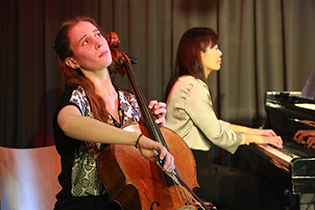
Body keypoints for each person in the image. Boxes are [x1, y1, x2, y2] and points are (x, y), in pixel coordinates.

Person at [52, 16, 175, 210]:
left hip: (130, 203)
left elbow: (149, 161)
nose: (99, 42)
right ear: (72, 62)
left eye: (98, 35)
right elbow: (68, 122)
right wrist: (137, 139)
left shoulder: (130, 100)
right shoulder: (76, 97)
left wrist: (160, 128)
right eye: (86, 41)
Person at [164, 27, 285, 210]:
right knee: (260, 187)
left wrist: (254, 132)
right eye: (215, 48)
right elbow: (217, 134)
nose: (220, 53)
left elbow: (214, 123)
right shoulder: (193, 86)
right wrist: (257, 138)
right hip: (191, 172)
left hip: (189, 167)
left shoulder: (184, 82)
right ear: (199, 53)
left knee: (257, 183)